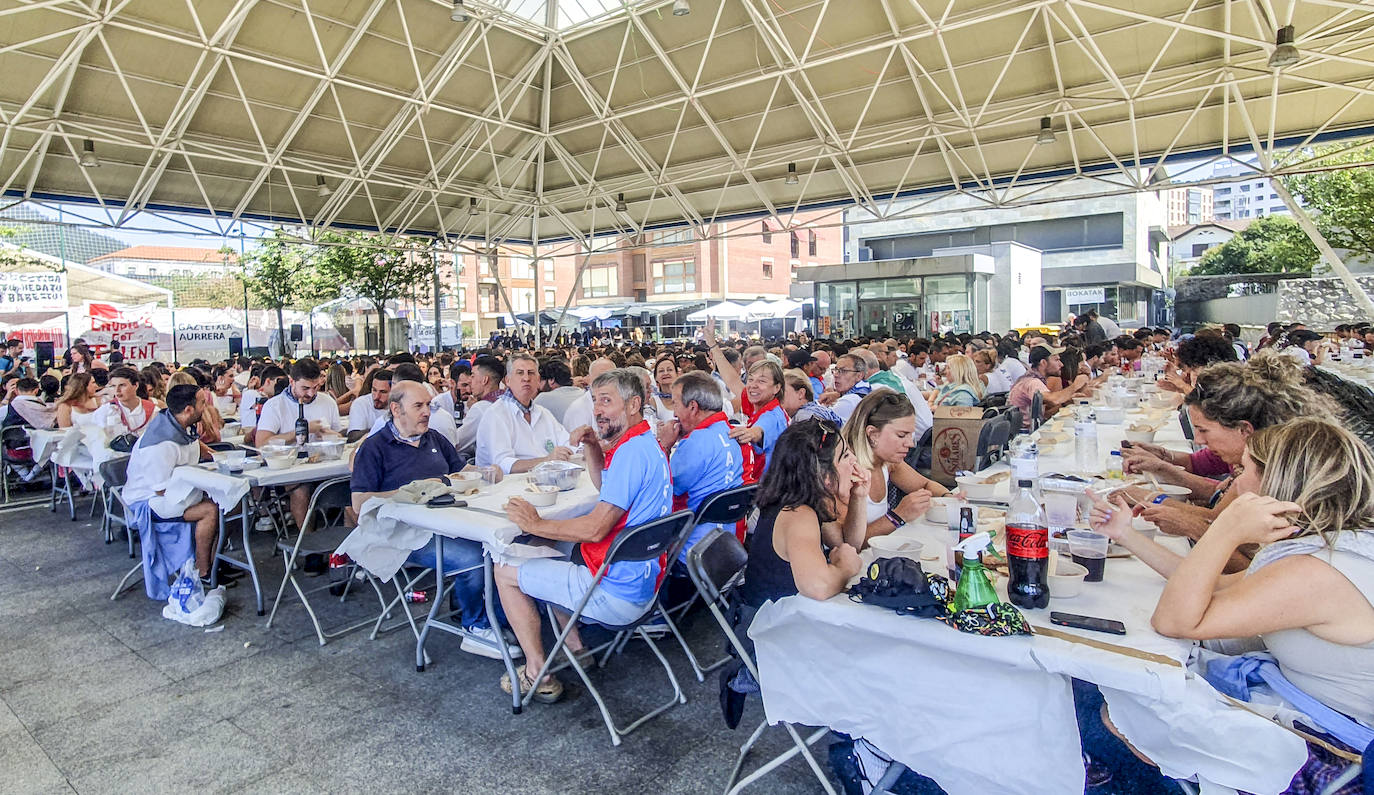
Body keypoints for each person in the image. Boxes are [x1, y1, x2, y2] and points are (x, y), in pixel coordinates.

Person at [1090, 418, 1374, 787]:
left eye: (1246, 471)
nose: (1236, 483)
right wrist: (1126, 535)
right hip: (1320, 705)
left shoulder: (1313, 574)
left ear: (1278, 483)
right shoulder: (1337, 545)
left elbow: (1174, 619)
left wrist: (1226, 528)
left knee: (1133, 697)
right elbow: (1213, 587)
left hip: (1335, 743)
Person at [494, 369, 672, 702]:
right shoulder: (644, 443)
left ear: (634, 404)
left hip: (616, 595)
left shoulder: (632, 452)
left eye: (607, 401)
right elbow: (608, 491)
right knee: (553, 551)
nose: (598, 410)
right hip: (646, 586)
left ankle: (537, 672)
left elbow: (595, 528)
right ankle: (574, 647)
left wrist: (534, 524)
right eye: (594, 401)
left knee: (503, 571)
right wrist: (593, 447)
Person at [1124, 353, 1335, 561]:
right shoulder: (1261, 456)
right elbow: (1218, 498)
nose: (1198, 440)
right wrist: (1163, 464)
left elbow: (1253, 565)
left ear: (1244, 429)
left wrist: (1159, 503)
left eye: (1203, 430)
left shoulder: (1280, 472)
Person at [349, 381, 508, 658]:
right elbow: (360, 503)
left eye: (429, 406)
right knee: (473, 557)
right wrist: (414, 490)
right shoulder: (374, 448)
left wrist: (486, 472)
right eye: (418, 406)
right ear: (396, 409)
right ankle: (475, 626)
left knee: (497, 546)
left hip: (449, 519)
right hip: (404, 533)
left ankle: (500, 620)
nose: (427, 412)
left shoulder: (434, 439)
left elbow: (461, 471)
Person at [122, 384, 221, 587]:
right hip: (149, 501)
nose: (207, 405)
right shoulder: (160, 444)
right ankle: (204, 571)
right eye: (203, 403)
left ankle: (215, 561)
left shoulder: (181, 426)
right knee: (210, 510)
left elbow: (200, 448)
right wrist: (201, 487)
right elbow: (160, 489)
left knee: (229, 501)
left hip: (174, 493)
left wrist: (224, 459)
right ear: (188, 410)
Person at [657, 371, 744, 558]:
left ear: (693, 407)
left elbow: (663, 489)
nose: (674, 413)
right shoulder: (729, 433)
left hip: (692, 550)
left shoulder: (697, 441)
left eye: (675, 404)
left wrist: (664, 446)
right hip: (727, 546)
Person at [842, 390, 950, 541]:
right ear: (873, 434)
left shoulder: (888, 462)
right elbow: (848, 543)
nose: (910, 444)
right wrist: (898, 515)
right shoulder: (844, 472)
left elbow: (925, 485)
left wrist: (950, 498)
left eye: (910, 435)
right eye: (901, 435)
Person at [254, 358, 343, 528]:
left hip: (324, 465)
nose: (311, 393)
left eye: (316, 387)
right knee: (300, 489)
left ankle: (345, 547)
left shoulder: (328, 402)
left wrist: (331, 435)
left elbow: (338, 436)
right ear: (292, 381)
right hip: (290, 468)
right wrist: (302, 431)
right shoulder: (275, 406)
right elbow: (262, 444)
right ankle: (308, 544)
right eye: (305, 388)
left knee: (352, 482)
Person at [475, 354, 573, 475]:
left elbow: (568, 444)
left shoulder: (543, 413)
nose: (526, 378)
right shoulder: (495, 414)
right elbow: (502, 464)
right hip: (505, 488)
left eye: (531, 373)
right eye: (520, 373)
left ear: (538, 380)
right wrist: (547, 460)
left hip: (546, 483)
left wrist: (582, 442)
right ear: (508, 380)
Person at [1007, 345, 1089, 428]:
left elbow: (1044, 415)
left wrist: (1065, 403)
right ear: (1043, 362)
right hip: (1025, 434)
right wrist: (1075, 385)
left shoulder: (1033, 379)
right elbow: (1053, 400)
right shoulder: (1032, 382)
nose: (1061, 364)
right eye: (1056, 360)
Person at [453, 356, 506, 456]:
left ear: (484, 380)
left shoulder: (480, 409)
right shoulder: (508, 401)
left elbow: (458, 443)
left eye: (473, 376)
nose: (470, 381)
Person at [92, 366, 156, 438]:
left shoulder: (154, 411)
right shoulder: (104, 412)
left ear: (136, 385)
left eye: (122, 385)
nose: (117, 390)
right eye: (113, 386)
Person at [561, 356, 614, 434]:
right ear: (589, 380)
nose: (606, 383)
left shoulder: (619, 403)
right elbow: (580, 444)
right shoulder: (579, 409)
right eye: (600, 378)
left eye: (611, 378)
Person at [346, 368, 392, 443]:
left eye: (383, 392)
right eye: (374, 390)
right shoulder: (361, 403)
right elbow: (353, 436)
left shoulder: (403, 405)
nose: (377, 396)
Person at [533, 359, 582, 426]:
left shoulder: (543, 398)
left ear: (551, 380)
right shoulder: (583, 393)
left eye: (540, 380)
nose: (538, 385)